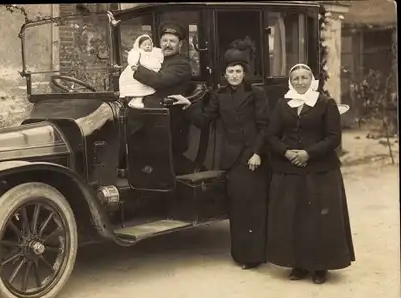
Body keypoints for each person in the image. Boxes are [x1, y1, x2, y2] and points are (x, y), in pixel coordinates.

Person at [170, 39, 270, 269]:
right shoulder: (219, 95)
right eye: (230, 72)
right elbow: (204, 120)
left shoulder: (257, 94)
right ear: (225, 74)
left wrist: (257, 153)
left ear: (244, 73)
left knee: (253, 206)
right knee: (236, 207)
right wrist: (187, 104)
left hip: (253, 157)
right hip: (232, 158)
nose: (234, 75)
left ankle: (256, 255)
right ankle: (242, 256)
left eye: (238, 71)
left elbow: (265, 126)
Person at [265, 63, 356, 284]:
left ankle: (320, 267)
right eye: (295, 78)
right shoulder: (282, 103)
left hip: (320, 170)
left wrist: (308, 153)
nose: (300, 82)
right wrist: (286, 152)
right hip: (289, 170)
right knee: (294, 217)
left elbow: (333, 137)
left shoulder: (325, 103)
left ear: (312, 79)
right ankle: (298, 265)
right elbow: (271, 135)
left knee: (318, 219)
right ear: (290, 81)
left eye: (304, 77)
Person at [130, 22, 193, 174]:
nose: (168, 45)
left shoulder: (182, 64)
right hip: (148, 118)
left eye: (172, 41)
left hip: (168, 122)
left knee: (160, 167)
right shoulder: (156, 60)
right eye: (165, 41)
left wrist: (137, 68)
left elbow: (159, 80)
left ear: (180, 44)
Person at [119, 34, 164, 108]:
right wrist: (133, 64)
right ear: (139, 46)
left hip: (150, 74)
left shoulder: (154, 52)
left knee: (147, 89)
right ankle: (136, 101)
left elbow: (160, 58)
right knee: (140, 89)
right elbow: (132, 58)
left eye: (149, 44)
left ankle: (138, 101)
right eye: (145, 45)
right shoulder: (138, 52)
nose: (148, 46)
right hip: (139, 73)